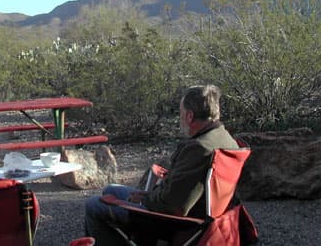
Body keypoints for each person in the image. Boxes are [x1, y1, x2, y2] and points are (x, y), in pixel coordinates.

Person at [84, 84, 239, 245]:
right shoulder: (226, 139)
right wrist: (147, 196)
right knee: (111, 190)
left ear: (189, 116)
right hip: (205, 212)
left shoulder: (200, 148)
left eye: (181, 113)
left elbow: (176, 206)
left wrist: (145, 200)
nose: (180, 118)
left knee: (94, 205)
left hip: (176, 221)